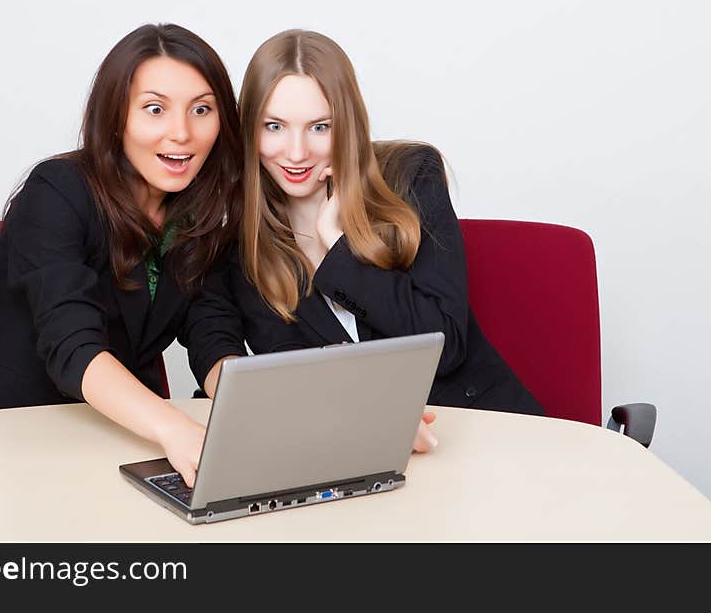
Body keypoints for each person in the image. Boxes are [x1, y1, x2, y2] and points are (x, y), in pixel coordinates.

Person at [185, 30, 544, 451]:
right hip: (355, 453)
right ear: (249, 131)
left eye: (320, 127)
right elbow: (228, 354)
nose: (296, 152)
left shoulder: (412, 176)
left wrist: (335, 243)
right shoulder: (237, 246)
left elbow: (444, 345)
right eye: (275, 126)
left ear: (348, 125)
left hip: (483, 435)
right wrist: (370, 420)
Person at [0, 24, 242, 487]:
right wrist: (176, 429)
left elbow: (211, 333)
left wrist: (248, 415)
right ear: (116, 118)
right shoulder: (57, 192)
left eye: (202, 110)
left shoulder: (199, 214)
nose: (182, 133)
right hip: (11, 447)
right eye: (155, 109)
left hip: (122, 447)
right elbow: (73, 345)